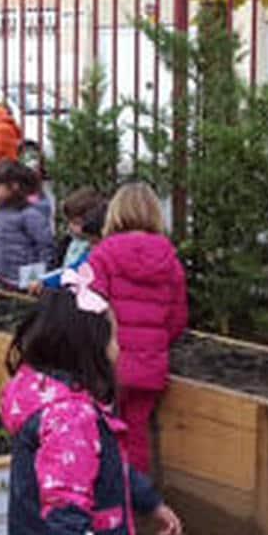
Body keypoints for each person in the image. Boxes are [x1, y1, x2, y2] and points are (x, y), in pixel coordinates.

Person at [2, 284, 181, 535]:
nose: (118, 347)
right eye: (113, 337)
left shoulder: (49, 394)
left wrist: (150, 502)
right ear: (87, 348)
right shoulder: (71, 417)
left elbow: (106, 468)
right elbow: (66, 500)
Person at [87, 182, 187, 474]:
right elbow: (178, 317)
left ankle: (105, 504)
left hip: (107, 362)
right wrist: (155, 343)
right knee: (136, 434)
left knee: (100, 430)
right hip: (149, 363)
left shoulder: (103, 254)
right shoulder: (170, 259)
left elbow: (90, 307)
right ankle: (136, 499)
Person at [0, 159, 54, 289]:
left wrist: (37, 278)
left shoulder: (31, 214)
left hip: (24, 281)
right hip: (3, 275)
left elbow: (45, 247)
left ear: (14, 186)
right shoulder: (2, 209)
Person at [29, 190, 107, 292]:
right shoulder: (68, 242)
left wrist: (44, 281)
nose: (71, 227)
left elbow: (74, 270)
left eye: (76, 223)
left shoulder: (97, 249)